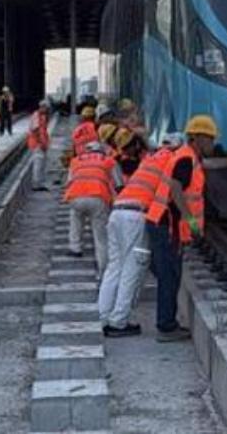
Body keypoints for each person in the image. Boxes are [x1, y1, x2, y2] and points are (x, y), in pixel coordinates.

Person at [145, 114, 212, 342]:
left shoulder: (189, 157)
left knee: (169, 273)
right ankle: (166, 327)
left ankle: (168, 323)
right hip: (166, 224)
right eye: (209, 139)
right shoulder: (185, 159)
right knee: (169, 276)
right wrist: (191, 221)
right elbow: (175, 188)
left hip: (163, 223)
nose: (212, 143)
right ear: (196, 138)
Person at [98, 139, 173, 337]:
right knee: (133, 267)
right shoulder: (172, 160)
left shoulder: (150, 160)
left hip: (117, 212)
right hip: (135, 216)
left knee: (114, 266)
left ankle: (103, 316)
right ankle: (119, 322)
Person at [65, 140, 121, 272]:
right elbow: (119, 184)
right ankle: (103, 267)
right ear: (100, 150)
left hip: (75, 196)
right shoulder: (108, 160)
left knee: (75, 216)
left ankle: (75, 247)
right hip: (98, 196)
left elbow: (69, 181)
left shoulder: (75, 160)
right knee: (100, 234)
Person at [27, 100, 52, 191]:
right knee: (38, 163)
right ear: (42, 107)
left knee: (42, 163)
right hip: (37, 143)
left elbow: (43, 131)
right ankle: (36, 184)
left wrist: (45, 143)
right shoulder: (36, 116)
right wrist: (41, 143)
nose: (47, 110)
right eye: (46, 108)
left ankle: (40, 183)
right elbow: (36, 131)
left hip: (41, 143)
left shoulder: (42, 116)